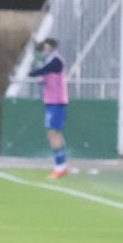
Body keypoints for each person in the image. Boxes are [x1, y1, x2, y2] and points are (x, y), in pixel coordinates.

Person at [27, 37, 70, 178]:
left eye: (46, 48)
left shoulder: (56, 61)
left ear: (52, 48)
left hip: (57, 102)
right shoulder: (49, 61)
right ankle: (62, 164)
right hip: (51, 101)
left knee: (53, 133)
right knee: (54, 133)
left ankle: (60, 166)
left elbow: (43, 71)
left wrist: (33, 71)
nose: (44, 51)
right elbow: (43, 76)